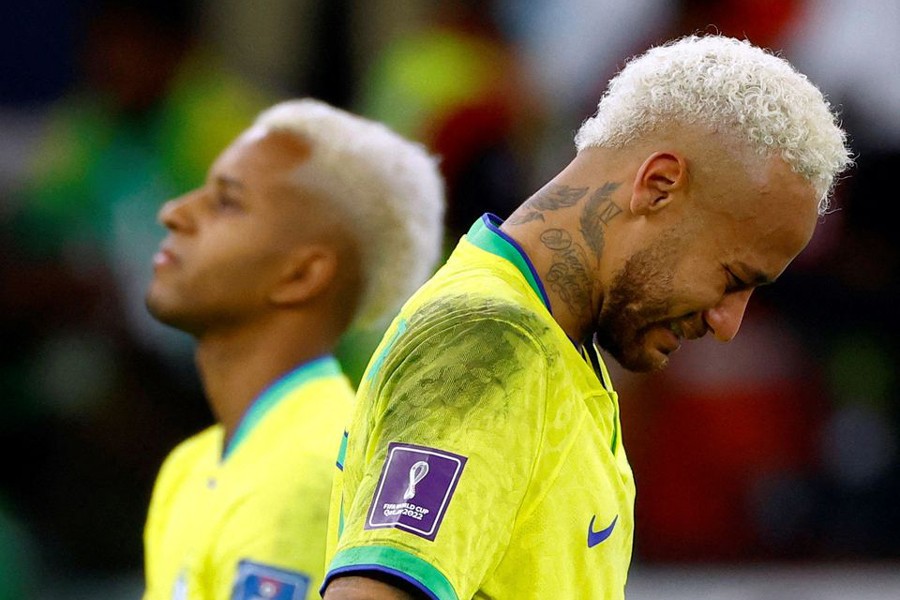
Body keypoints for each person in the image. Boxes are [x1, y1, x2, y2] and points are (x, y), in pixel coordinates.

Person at [321, 35, 852, 600]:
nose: (729, 323)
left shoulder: (556, 348)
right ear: (659, 186)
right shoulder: (492, 340)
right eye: (733, 278)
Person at [141, 98, 445, 599]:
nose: (174, 212)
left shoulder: (313, 473)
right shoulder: (189, 466)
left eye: (226, 201)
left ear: (302, 274)